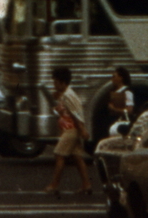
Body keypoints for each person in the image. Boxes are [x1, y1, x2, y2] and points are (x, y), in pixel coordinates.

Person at [45, 64, 92, 197]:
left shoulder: (68, 96)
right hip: (69, 129)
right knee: (77, 157)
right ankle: (86, 184)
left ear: (62, 82)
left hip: (71, 130)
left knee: (59, 155)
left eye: (55, 82)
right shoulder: (64, 94)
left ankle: (54, 184)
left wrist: (82, 129)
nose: (54, 84)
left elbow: (76, 114)